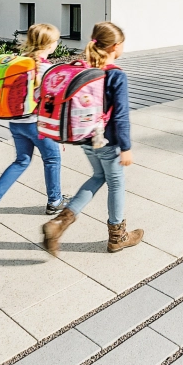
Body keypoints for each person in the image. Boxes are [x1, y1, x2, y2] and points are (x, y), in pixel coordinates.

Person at [42, 22, 143, 255]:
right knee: (116, 183)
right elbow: (121, 116)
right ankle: (118, 236)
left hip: (86, 138)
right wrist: (126, 147)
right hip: (108, 141)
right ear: (115, 47)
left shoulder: (85, 70)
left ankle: (60, 222)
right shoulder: (116, 75)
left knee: (98, 176)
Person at [0, 23, 66, 230]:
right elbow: (52, 101)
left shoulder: (20, 63)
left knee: (21, 161)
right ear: (49, 45)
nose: (57, 44)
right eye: (56, 41)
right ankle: (55, 201)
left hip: (16, 123)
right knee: (52, 159)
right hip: (38, 125)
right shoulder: (46, 68)